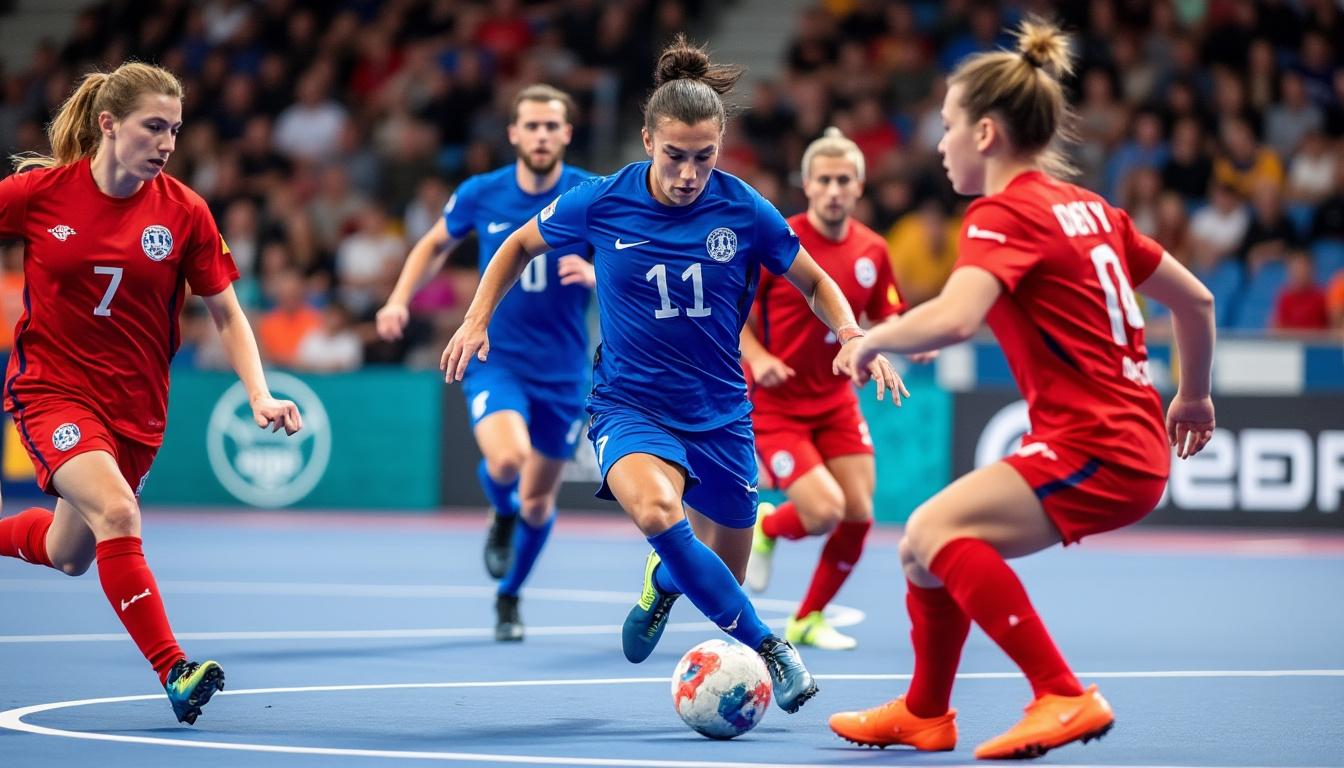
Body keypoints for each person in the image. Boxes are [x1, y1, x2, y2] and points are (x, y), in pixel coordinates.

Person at [443, 35, 907, 714]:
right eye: (674, 156)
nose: (689, 174)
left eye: (704, 157)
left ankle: (663, 582)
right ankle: (773, 646)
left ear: (720, 147)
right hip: (628, 405)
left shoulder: (743, 207)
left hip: (721, 412)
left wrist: (852, 334)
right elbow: (516, 245)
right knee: (660, 512)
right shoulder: (602, 201)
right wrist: (476, 319)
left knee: (723, 569)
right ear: (647, 142)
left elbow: (813, 280)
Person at [827, 18, 1216, 760]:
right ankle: (925, 713)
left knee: (933, 531)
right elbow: (1195, 301)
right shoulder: (1094, 209)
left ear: (985, 134)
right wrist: (1193, 395)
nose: (939, 143)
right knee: (921, 552)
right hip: (1123, 439)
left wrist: (871, 338)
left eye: (947, 125)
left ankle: (1062, 693)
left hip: (1097, 444)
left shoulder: (1002, 213)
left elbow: (956, 316)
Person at [0, 62, 302, 725]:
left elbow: (227, 313)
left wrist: (258, 393)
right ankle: (174, 669)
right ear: (109, 124)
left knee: (69, 553)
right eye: (154, 127)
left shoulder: (185, 211)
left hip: (136, 410)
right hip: (52, 391)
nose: (167, 142)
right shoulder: (39, 194)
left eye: (175, 130)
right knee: (119, 513)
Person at [376, 84, 595, 642]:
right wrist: (399, 299)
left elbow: (631, 257)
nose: (541, 135)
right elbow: (432, 245)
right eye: (532, 126)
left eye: (552, 126)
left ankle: (509, 595)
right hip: (496, 358)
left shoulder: (589, 193)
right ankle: (501, 512)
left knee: (539, 502)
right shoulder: (483, 192)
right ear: (514, 133)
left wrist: (596, 274)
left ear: (567, 133)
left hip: (565, 371)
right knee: (507, 459)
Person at [741, 127, 912, 650]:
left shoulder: (873, 249)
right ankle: (769, 527)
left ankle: (807, 619)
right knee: (823, 512)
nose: (834, 190)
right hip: (777, 404)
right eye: (824, 180)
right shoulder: (779, 241)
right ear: (807, 185)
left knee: (859, 514)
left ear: (859, 186)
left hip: (836, 400)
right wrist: (760, 358)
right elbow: (734, 317)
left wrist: (905, 341)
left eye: (843, 180)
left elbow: (886, 315)